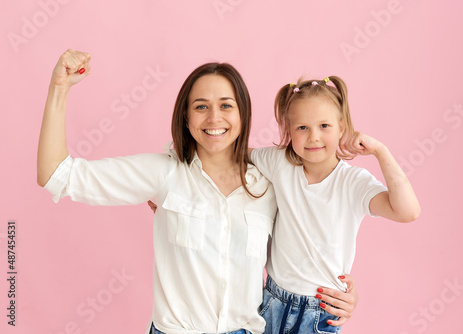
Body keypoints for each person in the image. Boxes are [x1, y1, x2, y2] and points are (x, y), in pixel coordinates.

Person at [37, 49, 358, 334]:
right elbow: (57, 175)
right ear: (186, 117)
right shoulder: (164, 173)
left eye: (226, 105)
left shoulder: (269, 182)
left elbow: (307, 245)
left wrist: (342, 292)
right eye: (201, 106)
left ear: (242, 113)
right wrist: (59, 88)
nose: (214, 117)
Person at [247, 76, 421, 333]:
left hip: (320, 310)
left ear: (342, 128)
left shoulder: (353, 182)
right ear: (288, 131)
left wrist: (380, 151)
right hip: (272, 301)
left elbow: (408, 211)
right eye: (302, 128)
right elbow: (234, 152)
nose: (313, 137)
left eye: (324, 125)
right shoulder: (279, 163)